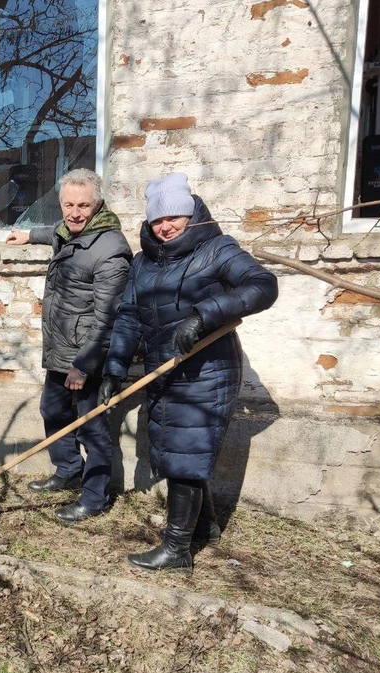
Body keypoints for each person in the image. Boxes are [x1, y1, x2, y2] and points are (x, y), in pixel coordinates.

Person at [100, 172, 278, 571]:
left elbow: (263, 285)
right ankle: (205, 528)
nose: (165, 227)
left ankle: (177, 550)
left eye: (173, 218)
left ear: (191, 214)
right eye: (157, 221)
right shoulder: (143, 262)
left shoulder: (218, 250)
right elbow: (128, 317)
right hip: (164, 369)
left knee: (184, 455)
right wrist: (114, 368)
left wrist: (204, 315)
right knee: (182, 451)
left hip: (207, 370)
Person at [5, 169, 131, 523]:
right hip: (62, 349)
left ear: (99, 205)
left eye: (83, 206)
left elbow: (109, 318)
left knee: (92, 425)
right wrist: (28, 234)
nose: (75, 213)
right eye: (68, 204)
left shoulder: (110, 250)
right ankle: (68, 469)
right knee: (53, 411)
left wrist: (85, 365)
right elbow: (57, 232)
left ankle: (95, 497)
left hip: (86, 355)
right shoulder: (73, 231)